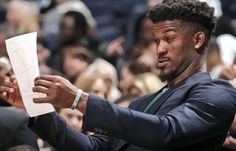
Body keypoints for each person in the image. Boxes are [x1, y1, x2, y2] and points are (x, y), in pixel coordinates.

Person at [1, 0, 236, 151]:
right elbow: (91, 148)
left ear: (197, 39)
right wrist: (38, 107)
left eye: (169, 38)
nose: (160, 49)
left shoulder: (217, 92)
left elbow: (167, 131)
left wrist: (79, 100)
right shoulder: (141, 103)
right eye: (157, 41)